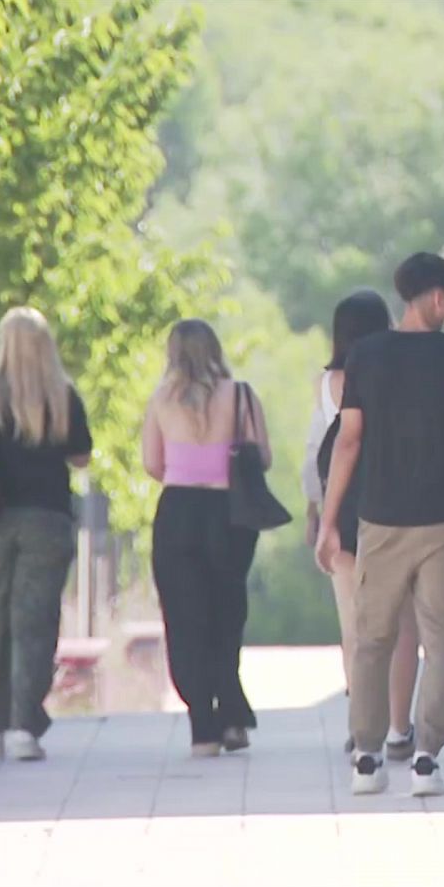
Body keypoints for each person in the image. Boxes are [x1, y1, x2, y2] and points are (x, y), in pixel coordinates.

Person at [315, 252, 444, 798]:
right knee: (443, 641)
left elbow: (348, 441)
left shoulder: (367, 356)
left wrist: (329, 521)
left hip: (381, 519)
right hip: (443, 518)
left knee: (371, 638)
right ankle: (425, 758)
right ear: (437, 297)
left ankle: (367, 758)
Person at [0, 307, 92, 762]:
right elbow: (82, 456)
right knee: (35, 621)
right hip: (47, 519)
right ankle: (25, 726)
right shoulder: (62, 394)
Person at [142, 319, 271, 758]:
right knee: (226, 612)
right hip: (230, 512)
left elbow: (152, 464)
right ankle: (232, 715)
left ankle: (203, 727)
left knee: (184, 617)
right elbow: (263, 457)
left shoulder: (161, 399)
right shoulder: (241, 396)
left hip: (178, 511)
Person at [303, 290, 423, 761]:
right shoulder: (404, 375)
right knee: (403, 621)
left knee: (355, 623)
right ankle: (398, 726)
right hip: (398, 500)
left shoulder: (327, 383)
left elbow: (318, 453)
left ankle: (361, 728)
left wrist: (317, 510)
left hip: (346, 502)